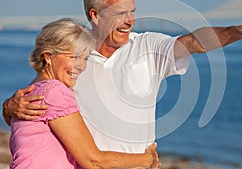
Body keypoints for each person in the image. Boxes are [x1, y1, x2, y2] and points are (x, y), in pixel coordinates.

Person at [3, 0, 242, 164]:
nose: (129, 21)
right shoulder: (71, 58)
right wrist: (9, 106)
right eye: (120, 13)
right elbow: (37, 104)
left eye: (132, 12)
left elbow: (195, 42)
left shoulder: (148, 46)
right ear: (94, 15)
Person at [8, 18, 159, 169]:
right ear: (48, 56)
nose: (80, 65)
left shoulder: (30, 92)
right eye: (73, 57)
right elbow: (94, 161)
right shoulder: (54, 91)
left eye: (85, 57)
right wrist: (147, 159)